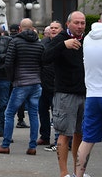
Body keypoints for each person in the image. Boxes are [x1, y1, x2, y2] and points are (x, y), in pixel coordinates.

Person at [75, 11, 102, 177]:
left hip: (93, 95)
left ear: (100, 21)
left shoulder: (88, 39)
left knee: (87, 139)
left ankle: (78, 174)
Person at [43, 11, 86, 177]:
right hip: (65, 94)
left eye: (82, 23)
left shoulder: (87, 40)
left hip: (84, 93)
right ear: (68, 24)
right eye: (77, 23)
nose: (80, 26)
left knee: (80, 134)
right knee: (64, 134)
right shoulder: (60, 39)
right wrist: (63, 45)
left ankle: (78, 172)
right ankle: (64, 173)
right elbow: (44, 58)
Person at [0, 18, 44, 155]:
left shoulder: (15, 42)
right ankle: (32, 146)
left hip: (21, 82)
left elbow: (8, 63)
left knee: (9, 114)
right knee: (33, 114)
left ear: (20, 29)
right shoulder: (39, 44)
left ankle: (5, 145)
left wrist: (12, 79)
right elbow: (42, 63)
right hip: (36, 83)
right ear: (33, 28)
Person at [39, 21, 63, 150]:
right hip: (44, 83)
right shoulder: (44, 43)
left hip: (58, 84)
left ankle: (58, 141)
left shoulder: (64, 42)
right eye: (52, 28)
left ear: (61, 30)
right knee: (42, 110)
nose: (53, 30)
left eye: (56, 28)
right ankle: (44, 136)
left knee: (57, 114)